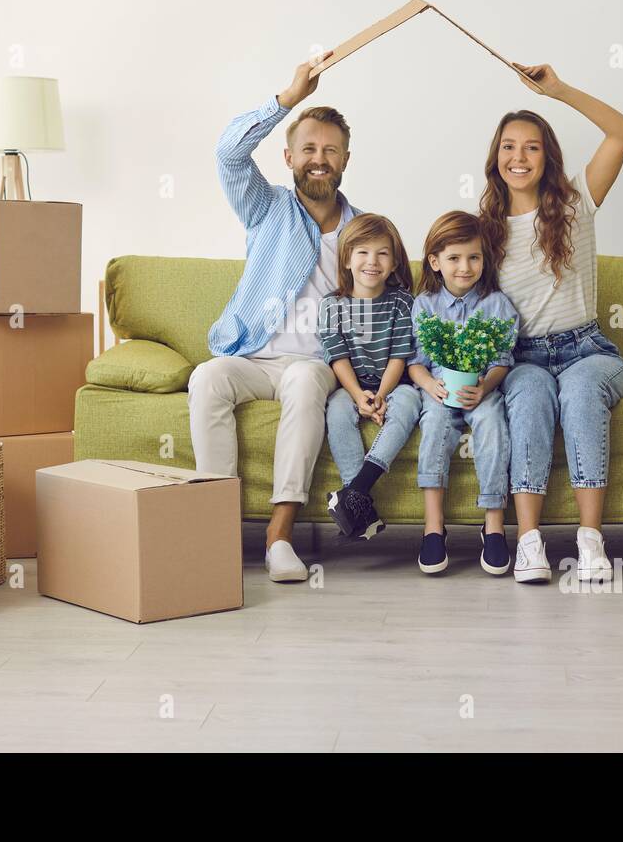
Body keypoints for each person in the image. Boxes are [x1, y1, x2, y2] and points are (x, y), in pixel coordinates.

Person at [188, 52, 362, 583]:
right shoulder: (265, 207)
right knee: (207, 376)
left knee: (309, 382)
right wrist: (288, 98)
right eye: (308, 148)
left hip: (310, 365)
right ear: (288, 157)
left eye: (330, 150)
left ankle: (279, 537)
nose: (319, 158)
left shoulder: (365, 233)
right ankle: (213, 530)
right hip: (250, 356)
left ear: (345, 161)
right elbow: (227, 154)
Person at [480, 62, 623, 584]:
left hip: (587, 352)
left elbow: (622, 132)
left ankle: (590, 542)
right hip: (522, 356)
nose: (518, 157)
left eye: (530, 146)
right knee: (527, 400)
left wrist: (560, 90)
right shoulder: (485, 231)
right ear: (494, 158)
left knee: (580, 394)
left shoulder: (575, 204)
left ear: (547, 157)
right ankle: (529, 542)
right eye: (508, 146)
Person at [408, 211, 518, 576]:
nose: (465, 267)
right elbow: (415, 362)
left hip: (481, 388)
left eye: (474, 257)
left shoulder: (497, 304)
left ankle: (494, 524)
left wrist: (485, 386)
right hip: (437, 388)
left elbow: (502, 361)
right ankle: (434, 527)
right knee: (435, 427)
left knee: (492, 424)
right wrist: (429, 385)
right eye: (454, 258)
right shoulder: (424, 304)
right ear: (435, 262)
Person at [319, 214, 419, 541]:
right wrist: (359, 395)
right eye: (362, 252)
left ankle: (356, 491)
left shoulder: (403, 302)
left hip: (396, 383)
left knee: (408, 405)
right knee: (336, 410)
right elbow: (338, 356)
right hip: (352, 386)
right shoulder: (331, 305)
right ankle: (357, 500)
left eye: (383, 253)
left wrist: (381, 395)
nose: (372, 261)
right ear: (347, 258)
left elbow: (400, 355)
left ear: (394, 263)